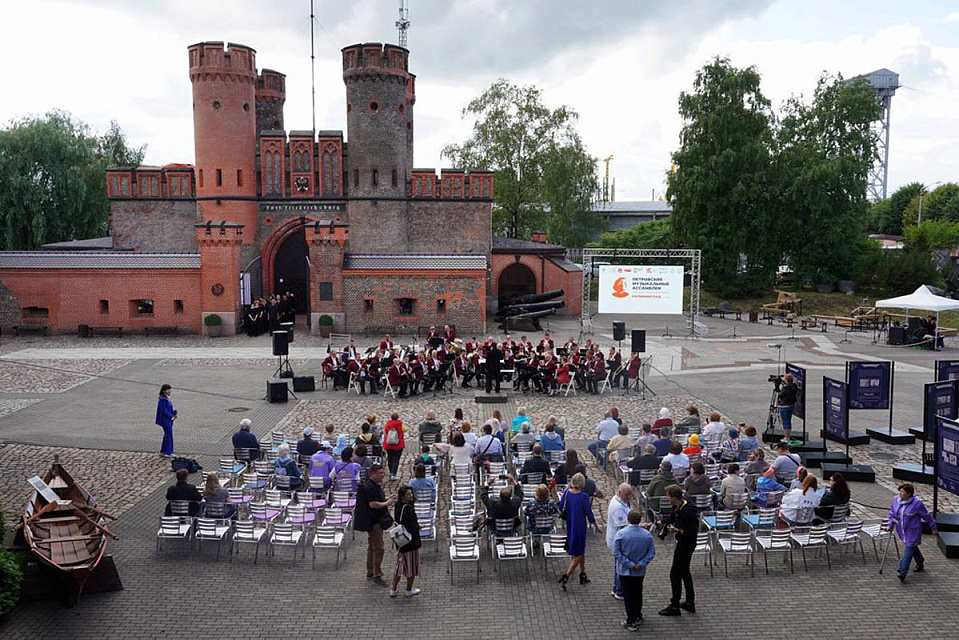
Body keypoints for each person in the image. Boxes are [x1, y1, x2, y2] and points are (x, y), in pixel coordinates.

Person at [658, 485, 698, 616]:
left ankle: (675, 605)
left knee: (675, 574)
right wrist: (660, 522)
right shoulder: (679, 506)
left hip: (686, 545)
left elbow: (692, 531)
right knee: (685, 572)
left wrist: (678, 530)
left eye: (668, 496)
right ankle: (690, 602)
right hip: (683, 543)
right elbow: (672, 517)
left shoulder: (688, 511)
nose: (667, 498)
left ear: (674, 497)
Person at [614, 510, 656, 631]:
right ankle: (638, 615)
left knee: (628, 595)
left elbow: (616, 552)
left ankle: (631, 620)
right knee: (637, 593)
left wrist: (630, 564)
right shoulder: (646, 535)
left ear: (628, 519)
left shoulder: (621, 534)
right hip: (639, 571)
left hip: (624, 571)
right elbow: (651, 552)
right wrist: (641, 564)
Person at [558, 473, 601, 590]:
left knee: (580, 551)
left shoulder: (567, 493)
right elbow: (589, 513)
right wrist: (596, 526)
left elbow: (561, 506)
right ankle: (566, 575)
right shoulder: (584, 496)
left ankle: (583, 573)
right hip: (580, 527)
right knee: (579, 553)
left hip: (570, 525)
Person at [355, 465, 396, 586]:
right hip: (373, 521)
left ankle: (370, 570)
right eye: (380, 473)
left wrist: (386, 499)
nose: (382, 475)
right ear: (372, 474)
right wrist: (387, 503)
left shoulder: (374, 486)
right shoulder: (370, 487)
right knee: (379, 547)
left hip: (373, 520)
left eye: (383, 473)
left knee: (372, 546)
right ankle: (377, 573)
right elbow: (373, 504)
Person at [888, 483, 938, 582]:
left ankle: (903, 570)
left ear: (909, 494)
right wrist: (890, 525)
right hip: (902, 530)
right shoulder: (895, 500)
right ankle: (920, 562)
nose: (900, 493)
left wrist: (933, 527)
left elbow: (927, 516)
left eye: (903, 492)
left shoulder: (917, 504)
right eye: (900, 491)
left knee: (909, 547)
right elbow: (892, 514)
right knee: (912, 547)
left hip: (913, 531)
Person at [390, 485, 422, 597]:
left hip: (400, 543)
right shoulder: (408, 509)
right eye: (408, 494)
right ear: (403, 496)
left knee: (399, 566)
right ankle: (408, 589)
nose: (411, 496)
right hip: (410, 542)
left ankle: (393, 589)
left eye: (411, 493)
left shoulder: (398, 506)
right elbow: (411, 525)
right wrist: (418, 527)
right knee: (411, 567)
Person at [606, 483, 632, 601]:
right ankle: (619, 591)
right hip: (618, 540)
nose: (629, 497)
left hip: (618, 539)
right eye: (626, 495)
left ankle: (616, 587)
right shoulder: (617, 507)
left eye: (629, 494)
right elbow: (623, 526)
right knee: (620, 567)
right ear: (620, 492)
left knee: (618, 565)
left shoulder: (620, 500)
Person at [383, 412, 407, 481]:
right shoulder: (400, 424)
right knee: (396, 459)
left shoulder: (388, 424)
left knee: (390, 458)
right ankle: (393, 474)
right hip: (398, 445)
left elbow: (386, 430)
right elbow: (405, 430)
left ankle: (391, 472)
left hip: (389, 444)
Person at [155, 383, 177, 457]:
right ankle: (168, 451)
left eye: (169, 390)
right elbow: (164, 410)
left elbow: (169, 408)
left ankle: (164, 450)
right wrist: (171, 416)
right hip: (165, 420)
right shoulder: (162, 399)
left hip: (168, 419)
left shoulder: (167, 398)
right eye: (167, 390)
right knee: (168, 435)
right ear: (164, 391)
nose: (169, 391)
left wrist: (174, 411)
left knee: (167, 435)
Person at [777, 373, 799, 442]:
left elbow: (780, 395)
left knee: (785, 422)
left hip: (784, 406)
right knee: (788, 421)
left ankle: (787, 437)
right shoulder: (794, 387)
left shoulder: (786, 388)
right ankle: (787, 436)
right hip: (791, 406)